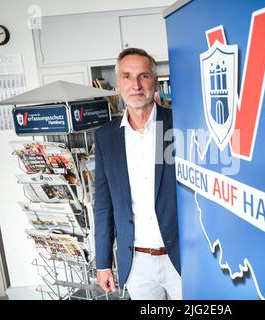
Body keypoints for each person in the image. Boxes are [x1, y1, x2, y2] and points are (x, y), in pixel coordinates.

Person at [93, 47, 181, 300]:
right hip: (137, 262)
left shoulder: (179, 124)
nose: (136, 84)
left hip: (182, 257)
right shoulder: (106, 137)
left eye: (143, 76)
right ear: (118, 84)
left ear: (154, 82)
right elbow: (103, 205)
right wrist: (103, 263)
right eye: (127, 76)